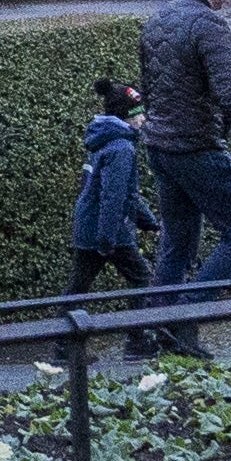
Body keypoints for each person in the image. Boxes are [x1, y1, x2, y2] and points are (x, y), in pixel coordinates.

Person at [132, 0, 231, 356]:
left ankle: (157, 331)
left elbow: (148, 88)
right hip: (197, 148)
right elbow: (230, 95)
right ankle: (187, 318)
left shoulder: (158, 19)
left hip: (160, 146)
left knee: (177, 243)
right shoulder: (209, 25)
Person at [71, 81, 158, 307]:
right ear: (125, 116)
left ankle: (64, 340)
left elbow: (123, 192)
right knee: (142, 279)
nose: (143, 119)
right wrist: (107, 238)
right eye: (138, 114)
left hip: (89, 225)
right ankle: (140, 336)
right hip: (109, 230)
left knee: (78, 288)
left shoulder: (104, 139)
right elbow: (114, 196)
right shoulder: (121, 148)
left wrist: (149, 223)